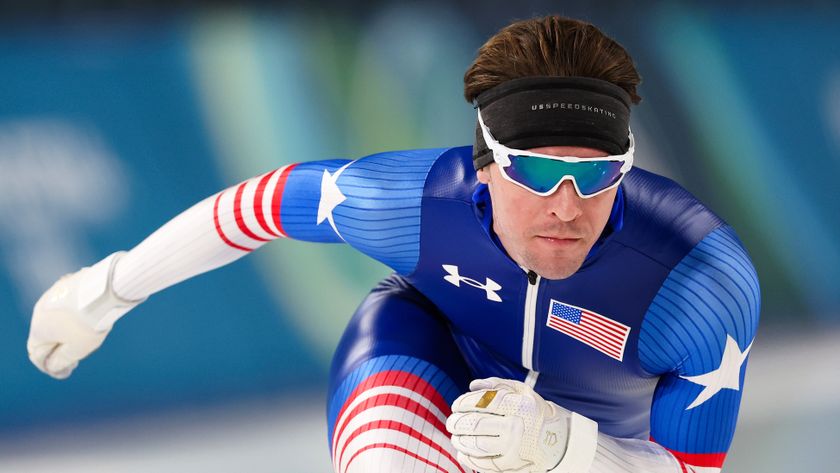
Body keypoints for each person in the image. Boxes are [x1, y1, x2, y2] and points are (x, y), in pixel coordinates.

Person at [27, 15, 759, 473]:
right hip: (426, 355)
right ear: (484, 165)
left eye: (597, 174)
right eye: (536, 172)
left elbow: (692, 467)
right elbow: (253, 206)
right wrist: (102, 292)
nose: (566, 206)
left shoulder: (699, 283)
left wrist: (568, 448)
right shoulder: (412, 203)